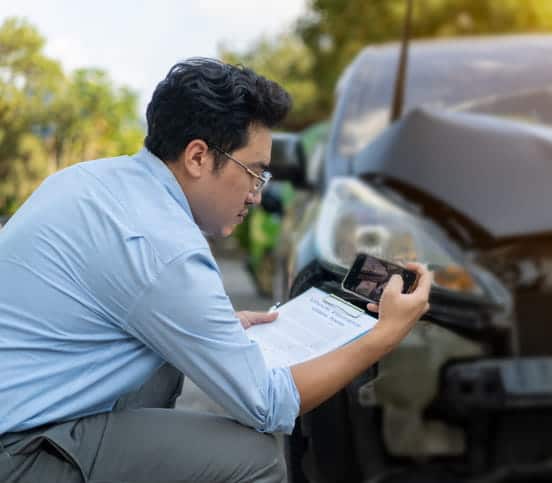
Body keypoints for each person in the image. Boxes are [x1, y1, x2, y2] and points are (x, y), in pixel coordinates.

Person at [0, 58, 431, 483]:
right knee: (252, 456)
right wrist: (382, 337)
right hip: (17, 453)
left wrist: (216, 327)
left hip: (22, 414)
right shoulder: (164, 246)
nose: (256, 196)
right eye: (254, 173)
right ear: (198, 157)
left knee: (163, 361)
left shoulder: (91, 181)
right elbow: (267, 405)